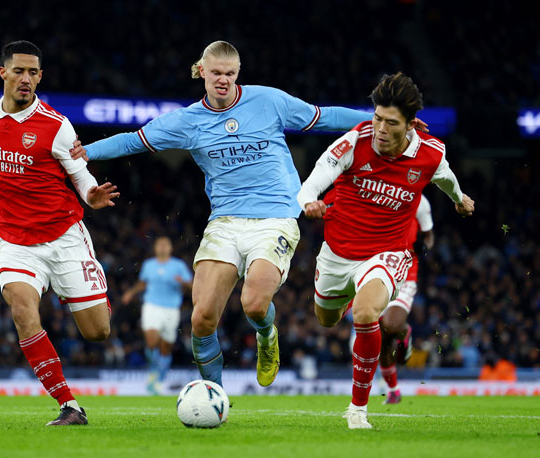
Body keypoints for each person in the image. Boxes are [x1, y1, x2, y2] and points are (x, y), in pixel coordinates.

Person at [69, 40, 398, 388]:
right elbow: (134, 140)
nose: (223, 79)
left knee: (254, 304)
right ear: (203, 73)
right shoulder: (186, 120)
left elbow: (325, 117)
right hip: (224, 221)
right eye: (216, 73)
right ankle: (215, 395)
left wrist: (380, 123)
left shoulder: (269, 101)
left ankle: (267, 336)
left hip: (276, 217)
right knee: (202, 319)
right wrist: (87, 152)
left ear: (238, 72)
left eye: (230, 73)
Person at [0, 41, 119, 426]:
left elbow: (79, 173)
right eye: (19, 71)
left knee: (98, 331)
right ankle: (69, 405)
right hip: (13, 241)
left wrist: (90, 195)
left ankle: (80, 288)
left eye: (33, 73)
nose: (26, 78)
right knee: (22, 310)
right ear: (3, 73)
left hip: (63, 237)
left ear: (40, 76)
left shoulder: (56, 125)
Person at [297, 72, 474, 429]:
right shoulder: (353, 143)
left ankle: (358, 409)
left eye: (390, 122)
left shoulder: (430, 153)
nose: (379, 128)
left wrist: (460, 199)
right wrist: (308, 201)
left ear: (410, 125)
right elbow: (315, 178)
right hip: (337, 252)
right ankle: (350, 295)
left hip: (386, 254)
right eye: (377, 117)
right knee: (326, 319)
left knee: (365, 314)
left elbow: (447, 178)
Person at [378, 194, 434, 404]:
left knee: (390, 325)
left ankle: (404, 330)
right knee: (381, 338)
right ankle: (393, 390)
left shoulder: (419, 200)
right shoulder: (376, 194)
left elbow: (429, 236)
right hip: (376, 273)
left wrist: (425, 246)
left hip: (405, 275)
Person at [121, 236, 193, 394]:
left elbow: (191, 284)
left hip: (171, 309)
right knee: (152, 340)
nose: (162, 247)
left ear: (170, 248)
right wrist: (131, 292)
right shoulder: (149, 265)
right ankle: (153, 372)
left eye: (165, 244)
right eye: (159, 244)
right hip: (151, 306)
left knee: (166, 346)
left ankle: (160, 377)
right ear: (155, 248)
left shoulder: (178, 265)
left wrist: (183, 282)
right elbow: (143, 283)